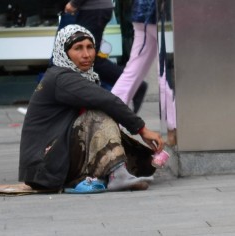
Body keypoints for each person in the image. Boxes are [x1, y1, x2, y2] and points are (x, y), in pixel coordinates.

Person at [19, 24, 165, 192]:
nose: (86, 54)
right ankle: (117, 174)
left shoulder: (74, 76)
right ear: (64, 53)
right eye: (78, 48)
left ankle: (115, 172)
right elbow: (107, 100)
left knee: (136, 156)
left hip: (51, 162)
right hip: (44, 167)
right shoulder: (61, 77)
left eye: (90, 47)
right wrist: (142, 129)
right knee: (97, 114)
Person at [111, 0, 177, 145]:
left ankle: (111, 119)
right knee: (166, 72)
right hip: (161, 14)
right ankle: (174, 127)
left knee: (132, 72)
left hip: (142, 13)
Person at [64, 0, 148, 113]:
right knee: (86, 60)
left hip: (92, 10)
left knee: (87, 59)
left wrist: (74, 3)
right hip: (92, 10)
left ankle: (134, 86)